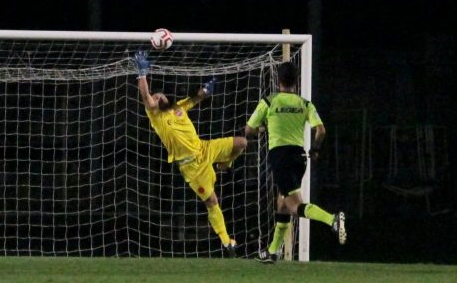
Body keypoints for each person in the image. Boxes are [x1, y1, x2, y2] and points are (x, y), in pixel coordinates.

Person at [134, 50, 247, 257]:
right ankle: (227, 241)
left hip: (205, 148)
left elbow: (198, 97)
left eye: (160, 94)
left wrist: (208, 87)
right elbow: (146, 96)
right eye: (156, 96)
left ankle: (226, 164)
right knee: (212, 201)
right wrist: (142, 73)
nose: (158, 97)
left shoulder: (179, 107)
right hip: (191, 166)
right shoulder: (156, 116)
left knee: (242, 142)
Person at [244, 61, 346, 264]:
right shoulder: (305, 103)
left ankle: (332, 219)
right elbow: (321, 130)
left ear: (278, 80)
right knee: (282, 203)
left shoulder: (269, 101)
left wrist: (262, 129)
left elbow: (248, 130)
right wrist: (315, 149)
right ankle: (273, 252)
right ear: (296, 81)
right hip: (299, 158)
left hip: (280, 157)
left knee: (292, 206)